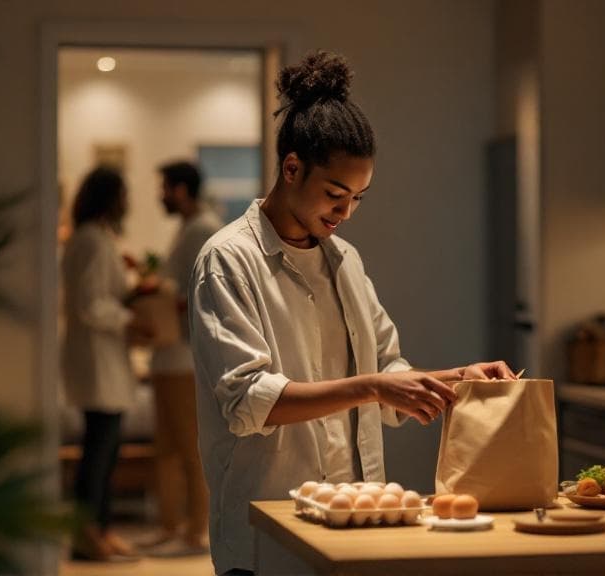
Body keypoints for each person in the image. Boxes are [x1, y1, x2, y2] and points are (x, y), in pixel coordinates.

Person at [189, 51, 514, 576]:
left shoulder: (344, 261)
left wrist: (457, 380)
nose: (345, 214)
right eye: (335, 195)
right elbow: (251, 403)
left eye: (359, 198)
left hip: (355, 529)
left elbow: (387, 368)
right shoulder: (228, 261)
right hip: (264, 536)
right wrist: (374, 387)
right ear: (291, 168)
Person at [61, 166, 147, 562]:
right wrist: (132, 317)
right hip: (99, 362)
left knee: (104, 453)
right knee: (98, 455)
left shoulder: (91, 239)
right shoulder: (93, 241)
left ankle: (101, 530)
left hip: (99, 360)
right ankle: (87, 535)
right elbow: (91, 305)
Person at [142, 160, 222, 556]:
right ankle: (171, 525)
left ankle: (195, 530)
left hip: (185, 356)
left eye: (164, 188)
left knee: (189, 446)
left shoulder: (202, 229)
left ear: (180, 190)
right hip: (169, 354)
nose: (160, 195)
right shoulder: (190, 229)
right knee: (169, 447)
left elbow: (199, 294)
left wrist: (158, 294)